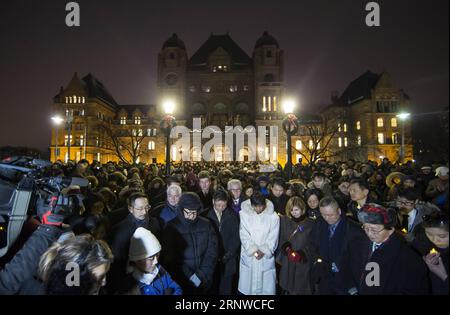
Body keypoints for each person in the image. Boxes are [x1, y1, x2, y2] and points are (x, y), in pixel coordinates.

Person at [339, 204, 429, 295]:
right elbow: (346, 268)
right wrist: (352, 290)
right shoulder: (357, 245)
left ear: (391, 230)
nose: (369, 233)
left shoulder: (408, 258)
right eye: (366, 228)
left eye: (374, 230)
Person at [162, 192, 218, 294]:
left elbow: (212, 252)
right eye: (188, 212)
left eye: (194, 212)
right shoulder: (171, 227)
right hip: (182, 281)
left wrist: (201, 275)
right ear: (181, 209)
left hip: (205, 280)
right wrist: (191, 276)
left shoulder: (206, 224)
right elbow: (171, 258)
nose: (192, 216)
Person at [309, 196, 365, 295]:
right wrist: (317, 262)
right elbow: (312, 244)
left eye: (330, 215)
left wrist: (337, 265)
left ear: (339, 211)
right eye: (323, 214)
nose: (327, 218)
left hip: (344, 281)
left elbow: (358, 259)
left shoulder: (353, 230)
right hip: (323, 277)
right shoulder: (319, 222)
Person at [107, 192, 161, 293]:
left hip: (153, 272)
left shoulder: (155, 223)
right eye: (139, 209)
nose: (144, 212)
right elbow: (118, 259)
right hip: (130, 278)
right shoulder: (121, 229)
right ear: (130, 209)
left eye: (147, 207)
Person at [118, 227, 182, 295]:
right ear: (138, 260)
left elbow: (177, 288)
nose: (156, 261)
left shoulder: (161, 272)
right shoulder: (130, 286)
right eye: (151, 258)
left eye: (157, 255)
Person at [238, 192, 280, 295]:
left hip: (265, 256)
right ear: (251, 205)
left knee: (266, 289)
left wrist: (264, 250)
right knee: (247, 288)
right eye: (256, 206)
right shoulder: (244, 214)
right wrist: (252, 249)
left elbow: (273, 236)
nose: (259, 209)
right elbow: (243, 234)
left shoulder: (273, 216)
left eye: (261, 206)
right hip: (249, 256)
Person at [205, 190, 240, 294]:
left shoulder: (232, 215)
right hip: (211, 260)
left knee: (226, 288)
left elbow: (236, 237)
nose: (221, 208)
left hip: (228, 259)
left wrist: (228, 254)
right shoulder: (206, 215)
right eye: (218, 205)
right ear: (213, 202)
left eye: (223, 205)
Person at [277, 196, 314, 295]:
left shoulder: (310, 223)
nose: (294, 212)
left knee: (301, 285)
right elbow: (281, 237)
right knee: (287, 283)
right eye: (291, 210)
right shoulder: (284, 221)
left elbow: (313, 243)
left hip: (303, 261)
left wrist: (302, 254)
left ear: (302, 209)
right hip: (288, 260)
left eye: (296, 209)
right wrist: (286, 248)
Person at [412, 213, 449, 295]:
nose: (435, 240)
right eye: (429, 234)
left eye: (442, 236)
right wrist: (420, 263)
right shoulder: (421, 243)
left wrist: (443, 276)